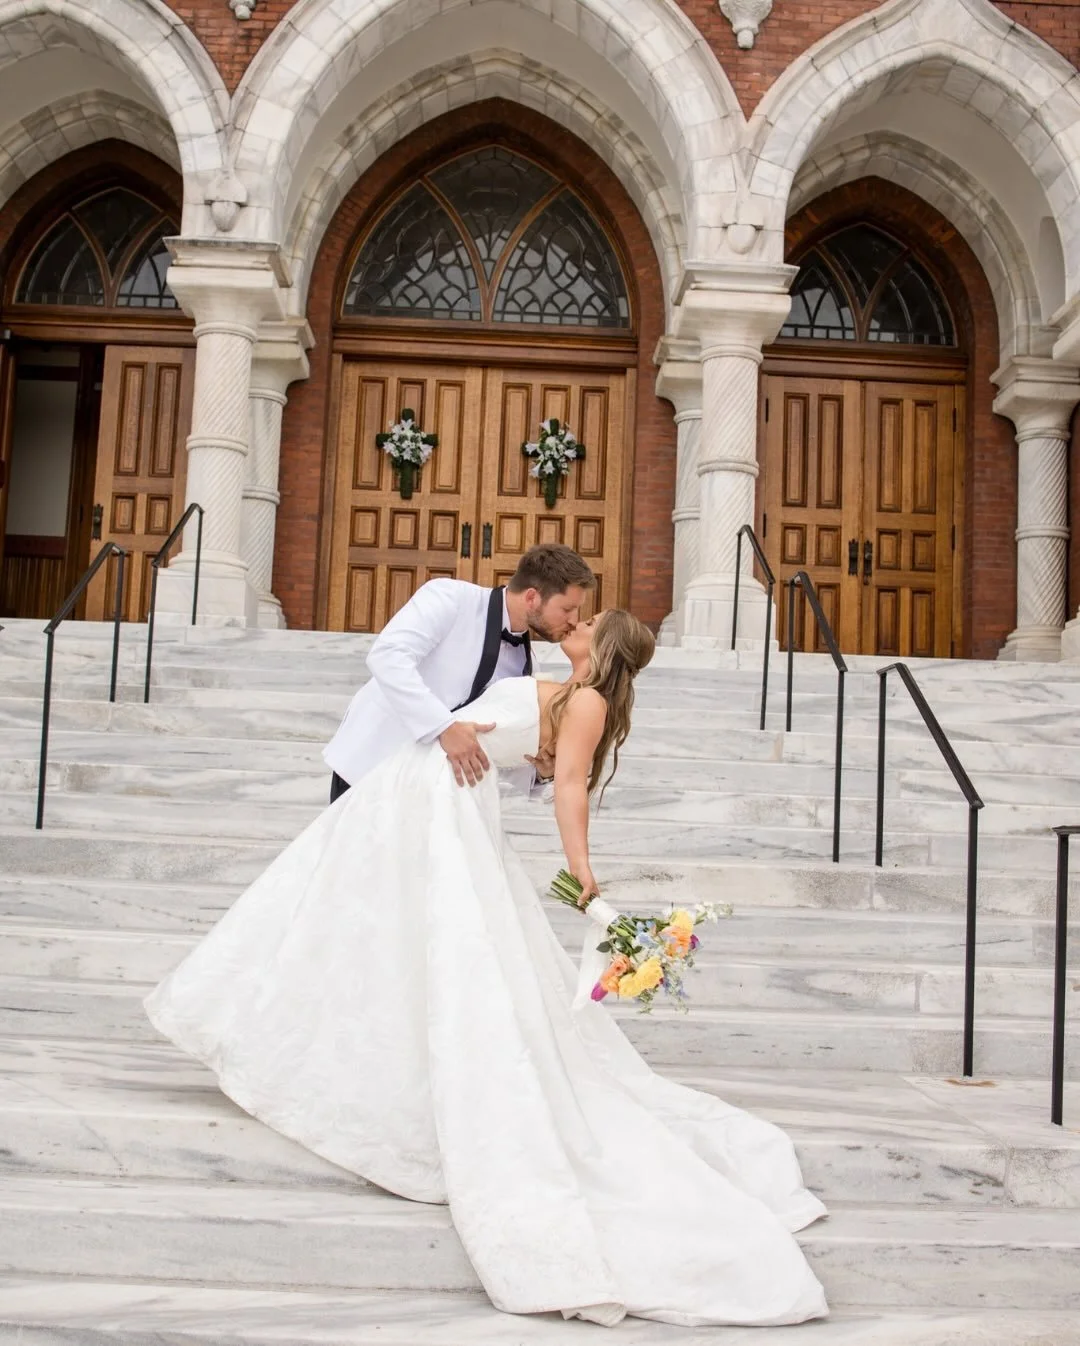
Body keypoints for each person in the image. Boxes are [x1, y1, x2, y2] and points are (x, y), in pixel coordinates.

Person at [145, 609, 828, 1329]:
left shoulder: (589, 701)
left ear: (604, 646)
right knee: (344, 918)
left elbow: (570, 787)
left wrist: (583, 874)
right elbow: (534, 760)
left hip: (444, 807)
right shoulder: (562, 687)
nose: (579, 620)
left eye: (590, 619)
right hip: (414, 791)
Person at [323, 542, 595, 800]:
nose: (574, 620)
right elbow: (388, 656)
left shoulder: (528, 666)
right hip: (370, 766)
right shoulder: (449, 597)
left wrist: (539, 774)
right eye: (567, 608)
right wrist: (443, 727)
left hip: (425, 793)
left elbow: (493, 744)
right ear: (533, 597)